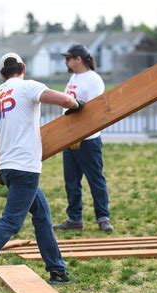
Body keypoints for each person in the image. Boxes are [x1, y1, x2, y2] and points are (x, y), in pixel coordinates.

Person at [0, 52, 84, 293]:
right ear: (23, 68)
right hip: (26, 166)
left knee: (42, 216)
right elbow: (66, 101)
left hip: (8, 165)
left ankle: (57, 269)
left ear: (1, 74)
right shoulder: (28, 87)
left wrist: (0, 167)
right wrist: (77, 104)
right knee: (11, 221)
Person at [53, 44, 114, 233]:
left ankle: (103, 217)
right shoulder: (74, 77)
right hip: (69, 137)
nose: (66, 61)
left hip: (88, 139)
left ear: (78, 59)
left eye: (68, 58)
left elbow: (92, 111)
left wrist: (81, 134)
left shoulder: (94, 80)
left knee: (95, 178)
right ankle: (74, 219)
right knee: (71, 181)